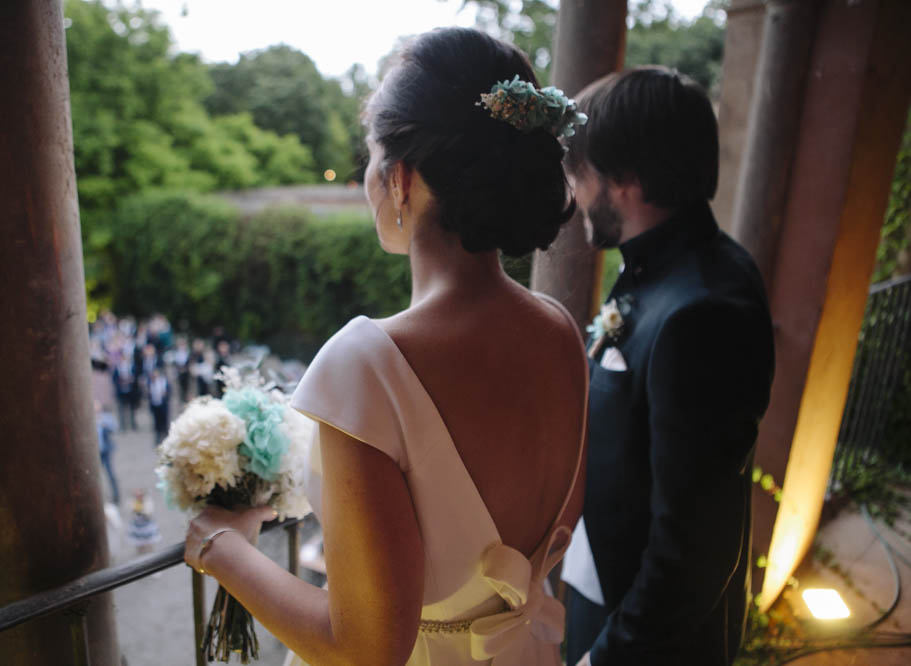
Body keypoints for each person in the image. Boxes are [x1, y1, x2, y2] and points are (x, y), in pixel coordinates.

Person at [183, 27, 589, 665]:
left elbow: (367, 649)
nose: (366, 178)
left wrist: (218, 547)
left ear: (401, 179)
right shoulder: (559, 331)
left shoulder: (368, 366)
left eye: (370, 158)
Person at [559, 67, 776, 666]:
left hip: (648, 640)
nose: (572, 189)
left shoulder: (704, 309)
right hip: (603, 588)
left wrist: (605, 658)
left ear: (627, 177)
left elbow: (693, 550)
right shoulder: (658, 268)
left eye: (579, 170)